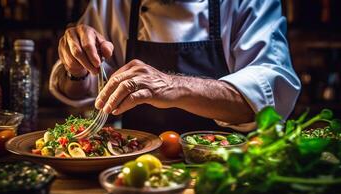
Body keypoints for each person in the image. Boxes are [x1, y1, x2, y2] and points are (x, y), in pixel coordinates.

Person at [50, 0, 301, 134]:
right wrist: (76, 69)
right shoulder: (111, 4)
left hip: (226, 165)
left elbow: (270, 98)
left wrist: (171, 86)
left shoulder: (249, 2)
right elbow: (78, 95)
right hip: (136, 164)